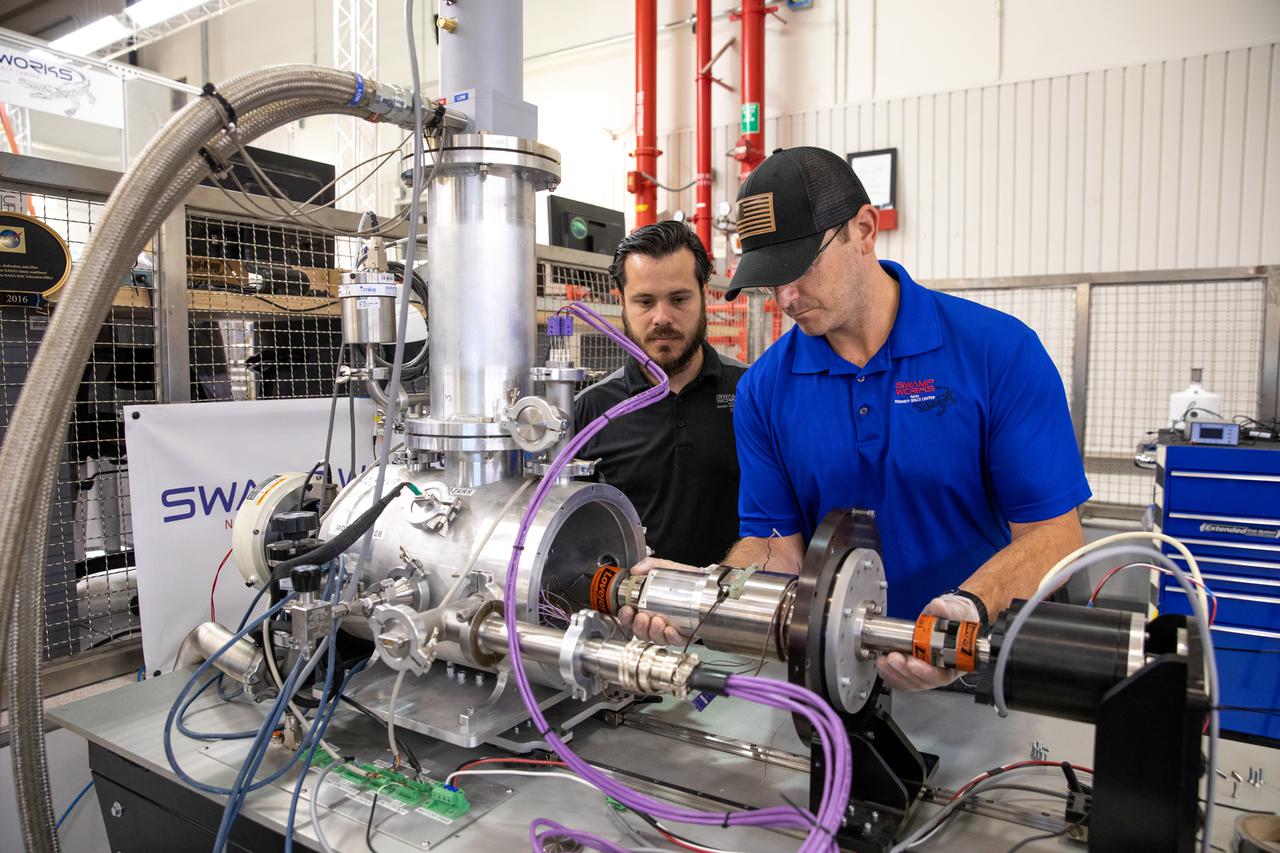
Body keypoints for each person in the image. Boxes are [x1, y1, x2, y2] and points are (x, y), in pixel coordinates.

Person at [622, 147, 1091, 692]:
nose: (787, 297)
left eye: (799, 268)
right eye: (770, 280)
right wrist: (707, 590)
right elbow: (776, 546)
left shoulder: (997, 353)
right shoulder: (765, 389)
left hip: (977, 668)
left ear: (864, 230)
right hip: (836, 674)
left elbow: (1055, 533)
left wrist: (965, 611)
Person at [574, 221, 747, 567]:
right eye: (645, 301)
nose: (662, 317)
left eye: (679, 298)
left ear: (704, 293)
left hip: (731, 607)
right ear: (621, 302)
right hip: (627, 610)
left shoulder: (751, 392)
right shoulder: (591, 411)